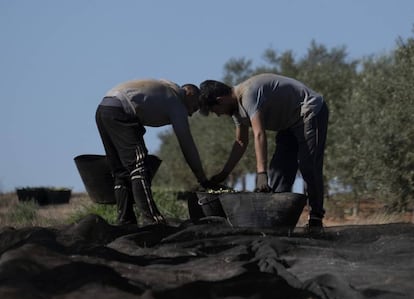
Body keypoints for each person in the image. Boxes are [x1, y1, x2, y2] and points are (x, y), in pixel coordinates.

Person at [199, 73, 329, 232]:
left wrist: (261, 174)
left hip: (309, 111)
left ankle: (315, 218)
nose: (218, 114)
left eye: (215, 110)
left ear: (220, 100)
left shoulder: (248, 94)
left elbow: (259, 133)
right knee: (279, 171)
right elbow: (241, 142)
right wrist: (223, 174)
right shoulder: (237, 110)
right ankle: (279, 222)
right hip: (288, 124)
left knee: (309, 166)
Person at [96, 78, 216, 226]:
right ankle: (152, 218)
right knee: (139, 166)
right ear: (189, 93)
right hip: (121, 111)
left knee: (121, 172)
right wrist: (202, 178)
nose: (191, 113)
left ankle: (125, 220)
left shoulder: (166, 89)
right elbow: (187, 144)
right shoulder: (176, 102)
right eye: (195, 107)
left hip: (104, 109)